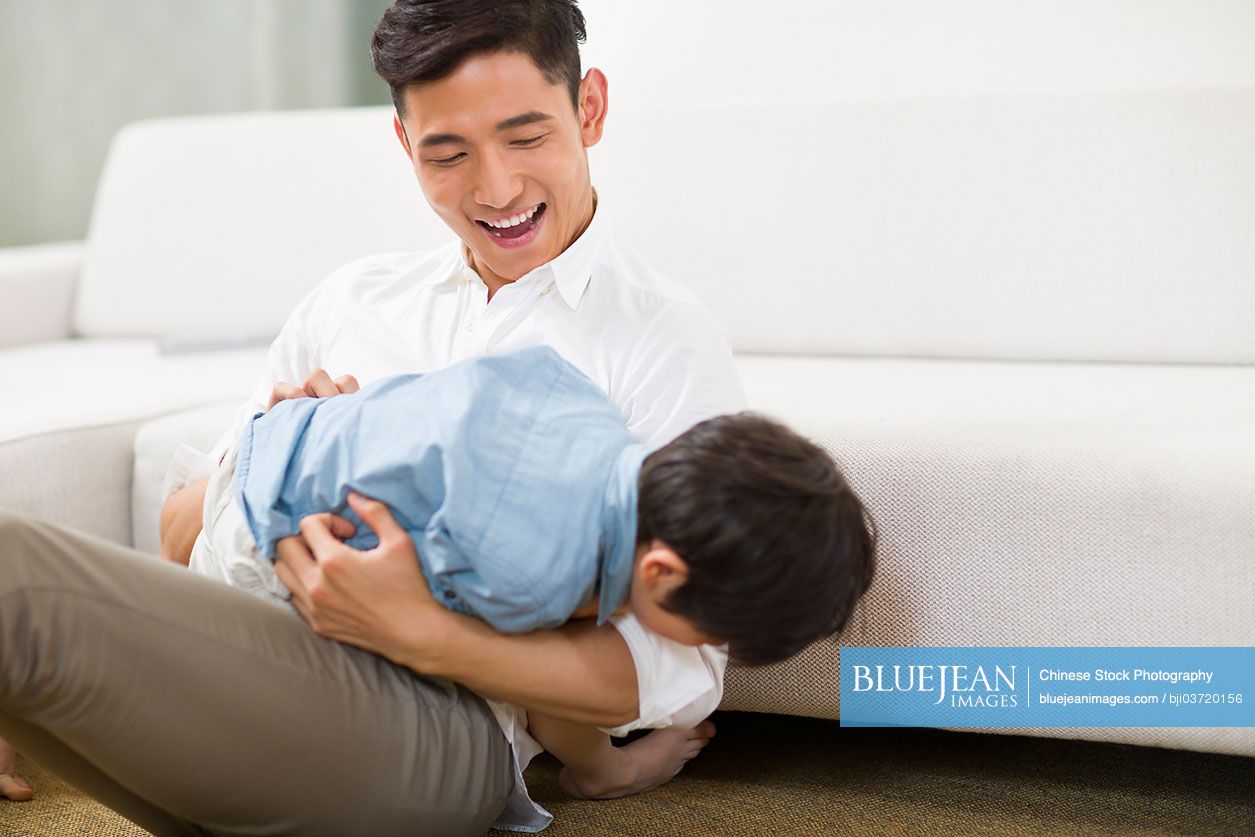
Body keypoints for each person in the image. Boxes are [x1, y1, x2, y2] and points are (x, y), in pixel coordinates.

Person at [0, 1, 806, 832]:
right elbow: (188, 530)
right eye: (447, 153)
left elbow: (678, 662)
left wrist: (419, 630)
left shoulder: (660, 339)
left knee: (12, 569)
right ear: (404, 147)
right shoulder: (353, 301)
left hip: (437, 728)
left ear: (589, 108)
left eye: (526, 137)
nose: (496, 188)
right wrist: (283, 453)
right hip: (250, 653)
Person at [192, 346, 876, 798]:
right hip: (265, 539)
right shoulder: (541, 576)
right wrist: (605, 766)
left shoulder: (573, 391)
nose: (695, 647)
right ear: (663, 573)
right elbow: (542, 699)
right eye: (700, 634)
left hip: (271, 436)